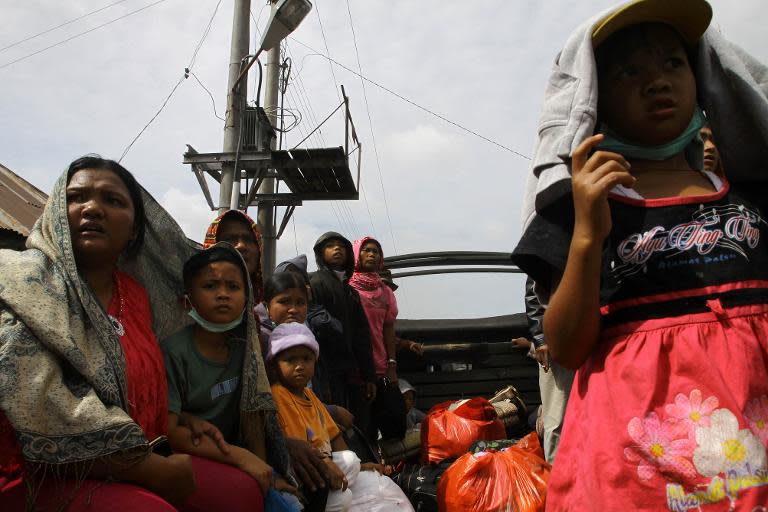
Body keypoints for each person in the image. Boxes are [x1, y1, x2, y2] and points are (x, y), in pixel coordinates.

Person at [512, 0, 768, 509]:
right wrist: (587, 234)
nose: (657, 81)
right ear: (595, 100)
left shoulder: (750, 195)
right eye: (630, 70)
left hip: (750, 459)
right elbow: (566, 346)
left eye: (673, 63)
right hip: (637, 475)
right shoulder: (584, 207)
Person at [0, 156, 263, 510]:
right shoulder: (22, 281)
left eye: (113, 200)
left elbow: (143, 383)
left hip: (146, 450)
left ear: (137, 228)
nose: (92, 208)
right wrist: (148, 468)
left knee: (243, 493)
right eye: (76, 198)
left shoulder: (137, 295)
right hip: (42, 471)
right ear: (56, 213)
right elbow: (37, 402)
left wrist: (180, 419)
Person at [162, 245, 299, 510]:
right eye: (210, 286)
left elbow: (254, 413)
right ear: (188, 296)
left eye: (233, 287)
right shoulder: (174, 352)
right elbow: (171, 431)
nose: (223, 294)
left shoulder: (246, 350)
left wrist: (264, 472)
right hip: (192, 454)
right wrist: (241, 458)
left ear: (247, 297)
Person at [267, 323, 414, 512]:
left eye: (306, 359)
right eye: (290, 360)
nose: (299, 366)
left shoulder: (310, 396)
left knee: (360, 469)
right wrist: (337, 465)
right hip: (307, 471)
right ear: (274, 365)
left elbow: (334, 436)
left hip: (328, 465)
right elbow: (301, 450)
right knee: (345, 491)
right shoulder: (279, 395)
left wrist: (360, 465)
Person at [309, 233, 376, 435]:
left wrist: (369, 376)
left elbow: (362, 336)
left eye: (341, 246)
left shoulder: (350, 292)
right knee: (331, 425)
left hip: (350, 372)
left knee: (355, 425)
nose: (337, 249)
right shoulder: (315, 282)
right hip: (323, 369)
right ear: (321, 253)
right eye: (330, 246)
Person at [349, 237, 407, 441]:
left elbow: (388, 329)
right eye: (366, 250)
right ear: (356, 255)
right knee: (363, 429)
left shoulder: (385, 292)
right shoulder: (347, 289)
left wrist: (391, 364)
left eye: (376, 251)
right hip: (355, 370)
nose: (372, 254)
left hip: (381, 368)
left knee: (396, 422)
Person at [525, 277, 573, 464]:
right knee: (557, 417)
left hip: (593, 335)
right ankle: (556, 478)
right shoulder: (552, 248)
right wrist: (541, 338)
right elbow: (533, 293)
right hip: (558, 341)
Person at [203, 210, 264, 303]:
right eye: (229, 239)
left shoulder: (270, 307)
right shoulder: (190, 305)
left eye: (248, 239)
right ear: (212, 246)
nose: (241, 246)